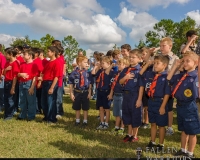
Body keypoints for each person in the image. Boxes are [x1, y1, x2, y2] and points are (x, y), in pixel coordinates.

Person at [167, 51, 200, 158]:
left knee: (191, 131)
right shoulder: (182, 76)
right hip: (180, 106)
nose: (184, 63)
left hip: (189, 106)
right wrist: (176, 66)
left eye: (187, 61)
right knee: (184, 130)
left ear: (195, 63)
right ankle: (183, 149)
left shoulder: (195, 76)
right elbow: (169, 79)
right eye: (184, 61)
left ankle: (190, 153)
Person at [140, 55, 171, 151]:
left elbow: (167, 93)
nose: (155, 65)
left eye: (158, 63)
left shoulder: (167, 77)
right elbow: (140, 74)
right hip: (151, 101)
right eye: (155, 63)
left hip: (160, 102)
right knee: (153, 123)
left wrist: (162, 106)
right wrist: (148, 63)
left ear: (164, 65)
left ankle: (161, 144)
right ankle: (152, 141)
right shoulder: (152, 74)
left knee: (161, 125)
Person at [119, 49, 143, 142]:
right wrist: (126, 77)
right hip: (126, 95)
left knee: (135, 114)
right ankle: (129, 134)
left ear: (139, 58)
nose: (131, 59)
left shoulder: (139, 71)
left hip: (135, 95)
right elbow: (120, 82)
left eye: (133, 57)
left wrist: (139, 99)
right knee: (127, 114)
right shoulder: (126, 69)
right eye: (130, 57)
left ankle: (135, 135)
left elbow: (141, 86)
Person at [69, 55, 93, 127]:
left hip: (85, 92)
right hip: (77, 92)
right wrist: (71, 94)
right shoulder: (73, 73)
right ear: (79, 63)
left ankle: (85, 121)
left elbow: (90, 84)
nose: (87, 64)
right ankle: (77, 120)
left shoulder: (88, 73)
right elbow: (71, 84)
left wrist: (89, 92)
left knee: (85, 108)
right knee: (77, 107)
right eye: (85, 62)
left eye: (87, 62)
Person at [108, 58, 129, 135]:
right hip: (116, 95)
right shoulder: (116, 73)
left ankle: (122, 127)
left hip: (122, 95)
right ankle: (116, 127)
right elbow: (113, 85)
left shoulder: (126, 75)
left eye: (120, 64)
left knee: (122, 112)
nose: (118, 65)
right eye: (118, 64)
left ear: (126, 65)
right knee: (116, 112)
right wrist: (111, 94)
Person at [92, 56, 115, 129]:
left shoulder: (111, 72)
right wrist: (96, 67)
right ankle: (101, 122)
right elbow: (93, 74)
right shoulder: (100, 71)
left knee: (107, 108)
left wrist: (111, 94)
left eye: (103, 63)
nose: (101, 65)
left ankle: (106, 123)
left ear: (108, 63)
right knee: (101, 108)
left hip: (106, 92)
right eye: (101, 63)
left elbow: (112, 85)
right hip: (100, 91)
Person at [40, 46, 61, 124]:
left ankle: (52, 118)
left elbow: (56, 76)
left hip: (51, 83)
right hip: (45, 83)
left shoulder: (57, 63)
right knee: (44, 101)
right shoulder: (48, 63)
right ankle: (46, 116)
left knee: (50, 101)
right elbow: (43, 73)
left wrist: (52, 87)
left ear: (53, 53)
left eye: (48, 51)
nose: (47, 53)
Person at [3, 48, 20, 120]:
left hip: (12, 83)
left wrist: (13, 87)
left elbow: (15, 76)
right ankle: (6, 113)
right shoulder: (7, 63)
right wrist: (6, 70)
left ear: (11, 54)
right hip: (6, 82)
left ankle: (10, 115)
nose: (5, 55)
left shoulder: (16, 63)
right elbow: (3, 73)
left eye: (7, 54)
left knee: (11, 99)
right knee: (6, 99)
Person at [56, 45, 65, 119]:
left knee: (58, 97)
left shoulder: (60, 60)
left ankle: (59, 112)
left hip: (58, 81)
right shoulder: (60, 58)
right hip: (57, 81)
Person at [0, 44, 6, 112]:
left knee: (1, 93)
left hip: (0, 76)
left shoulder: (2, 57)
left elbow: (3, 68)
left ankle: (1, 106)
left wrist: (1, 76)